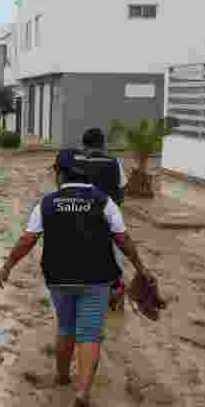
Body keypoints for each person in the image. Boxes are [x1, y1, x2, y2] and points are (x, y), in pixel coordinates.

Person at [0, 149, 153, 407]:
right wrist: (141, 268)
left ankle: (61, 377)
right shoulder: (104, 202)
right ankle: (82, 391)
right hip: (96, 279)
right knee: (90, 333)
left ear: (60, 174)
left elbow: (27, 240)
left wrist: (8, 265)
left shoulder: (46, 203)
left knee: (67, 327)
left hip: (58, 279)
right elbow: (123, 240)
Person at [76, 127, 128, 309]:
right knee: (115, 260)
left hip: (81, 220)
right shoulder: (115, 163)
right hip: (109, 219)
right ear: (103, 145)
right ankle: (116, 300)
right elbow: (122, 190)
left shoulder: (77, 164)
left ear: (83, 145)